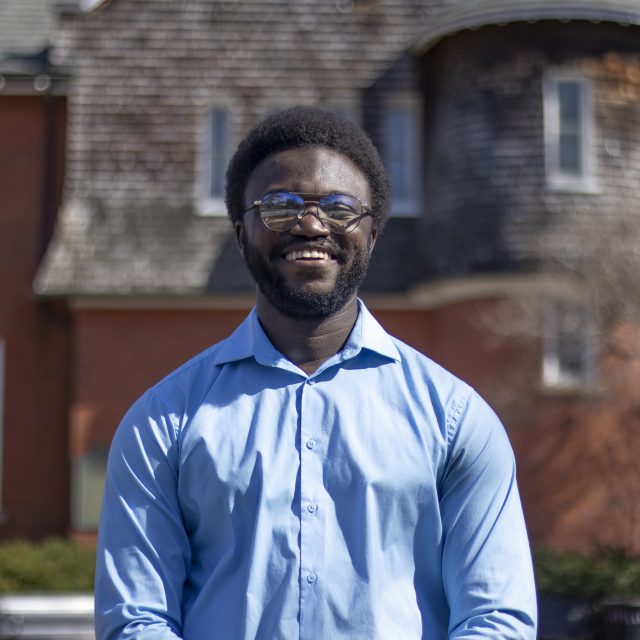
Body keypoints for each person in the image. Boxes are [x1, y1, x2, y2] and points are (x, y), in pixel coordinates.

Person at [94, 106, 537, 639]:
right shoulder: (163, 422)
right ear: (241, 235)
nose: (310, 224)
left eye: (339, 207)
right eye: (279, 206)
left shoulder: (455, 419)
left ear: (371, 236)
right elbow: (136, 622)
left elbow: (497, 619)